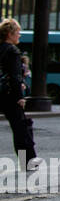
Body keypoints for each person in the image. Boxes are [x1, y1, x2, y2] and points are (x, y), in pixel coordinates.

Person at [0, 19, 38, 171]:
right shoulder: (13, 51)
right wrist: (20, 96)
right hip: (9, 95)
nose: (19, 36)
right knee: (20, 128)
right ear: (10, 34)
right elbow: (15, 76)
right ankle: (28, 161)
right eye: (17, 33)